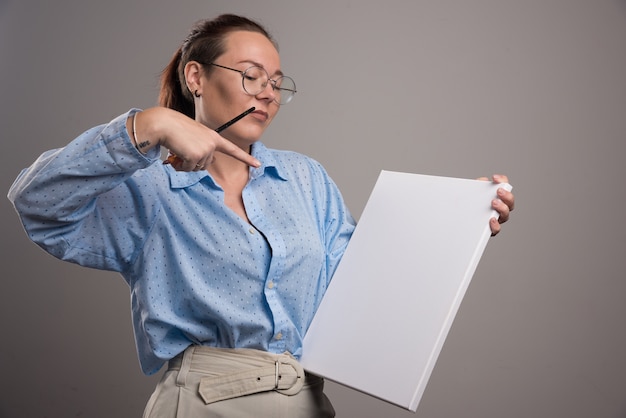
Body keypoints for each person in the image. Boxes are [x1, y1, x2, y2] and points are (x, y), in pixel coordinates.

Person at [7, 14, 514, 418]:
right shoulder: (148, 188)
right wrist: (150, 124)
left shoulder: (306, 179)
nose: (268, 92)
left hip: (306, 402)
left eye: (276, 81)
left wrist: (452, 217)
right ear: (195, 77)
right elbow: (37, 203)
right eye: (250, 76)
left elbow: (357, 288)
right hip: (202, 403)